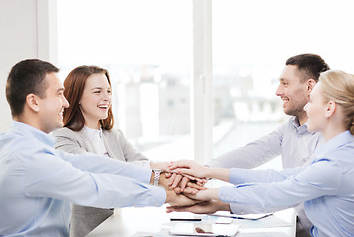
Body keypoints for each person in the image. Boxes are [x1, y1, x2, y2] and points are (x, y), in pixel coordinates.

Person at [0, 59, 198, 237]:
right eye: (59, 94)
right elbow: (95, 187)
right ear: (34, 102)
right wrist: (169, 195)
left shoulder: (22, 145)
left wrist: (157, 172)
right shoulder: (30, 157)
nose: (65, 102)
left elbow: (88, 162)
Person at [168, 69, 354, 237]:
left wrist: (204, 194)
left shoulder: (335, 164)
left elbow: (275, 193)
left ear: (330, 108)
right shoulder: (335, 154)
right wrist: (208, 172)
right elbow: (279, 177)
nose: (307, 107)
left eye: (311, 101)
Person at [51, 65, 204, 236]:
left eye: (108, 91)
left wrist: (182, 179)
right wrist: (158, 170)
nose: (106, 98)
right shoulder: (62, 137)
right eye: (97, 92)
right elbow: (99, 171)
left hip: (118, 228)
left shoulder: (114, 136)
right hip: (86, 232)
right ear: (77, 96)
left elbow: (144, 169)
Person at [189, 53, 329, 236]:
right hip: (302, 230)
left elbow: (287, 190)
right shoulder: (291, 127)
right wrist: (202, 172)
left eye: (285, 83)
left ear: (310, 86)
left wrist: (219, 201)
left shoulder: (328, 138)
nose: (277, 91)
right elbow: (253, 152)